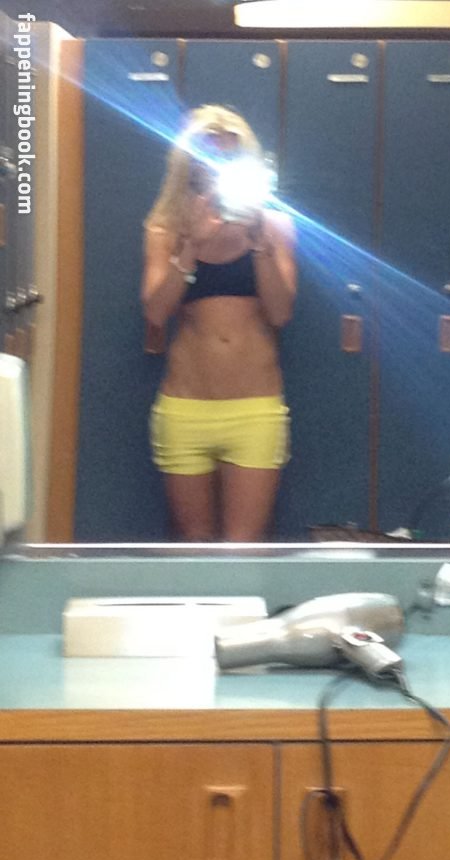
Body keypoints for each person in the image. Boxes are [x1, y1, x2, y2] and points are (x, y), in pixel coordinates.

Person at [142, 104, 296, 541]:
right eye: (209, 157)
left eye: (230, 156)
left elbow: (281, 313)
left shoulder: (276, 226)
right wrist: (191, 246)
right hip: (184, 407)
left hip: (255, 409)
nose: (218, 166)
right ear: (189, 166)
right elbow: (155, 312)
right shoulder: (166, 230)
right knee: (195, 548)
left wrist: (259, 244)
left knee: (243, 549)